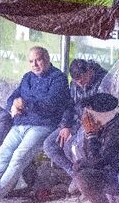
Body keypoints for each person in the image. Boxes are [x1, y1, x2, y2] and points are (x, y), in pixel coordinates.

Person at [0, 46, 71, 203]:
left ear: (47, 59)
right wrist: (13, 104)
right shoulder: (27, 77)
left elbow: (51, 104)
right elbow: (13, 96)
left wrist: (25, 103)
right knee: (3, 153)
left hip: (42, 125)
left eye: (38, 60)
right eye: (31, 61)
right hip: (20, 123)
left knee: (19, 157)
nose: (34, 64)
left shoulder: (58, 78)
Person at [43, 58, 108, 192]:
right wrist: (65, 126)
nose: (80, 84)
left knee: (71, 145)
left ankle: (88, 179)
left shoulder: (104, 81)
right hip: (75, 122)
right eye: (77, 81)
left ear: (89, 71)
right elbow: (69, 105)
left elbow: (103, 110)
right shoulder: (74, 84)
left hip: (94, 123)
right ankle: (76, 175)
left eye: (82, 80)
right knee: (49, 144)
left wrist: (79, 128)